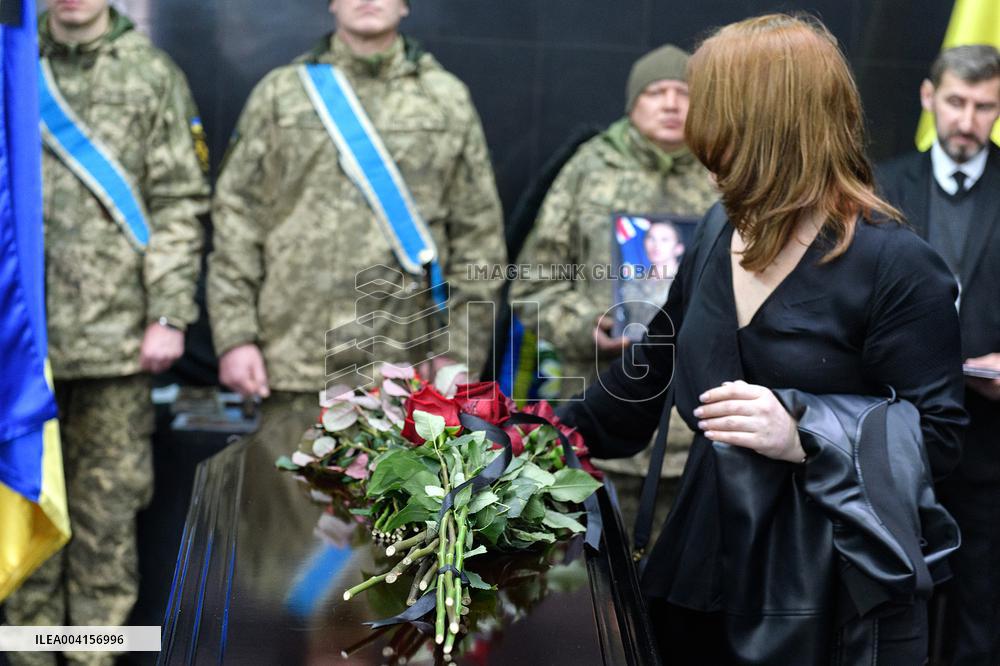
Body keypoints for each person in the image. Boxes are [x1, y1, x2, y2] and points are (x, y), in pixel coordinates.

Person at [561, 14, 967, 664]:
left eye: (711, 111)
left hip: (817, 596)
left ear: (762, 127)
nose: (695, 132)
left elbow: (940, 437)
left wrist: (805, 432)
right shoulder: (718, 231)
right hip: (696, 570)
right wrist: (524, 435)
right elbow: (648, 373)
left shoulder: (895, 265)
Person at [4, 1, 209, 664]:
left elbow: (179, 202)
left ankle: (92, 659)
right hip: (18, 347)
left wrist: (168, 314)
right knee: (24, 517)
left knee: (105, 527)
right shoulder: (11, 65)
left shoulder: (150, 74)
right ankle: (29, 659)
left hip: (118, 346)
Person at [208, 0, 506, 438]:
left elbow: (478, 234)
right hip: (291, 359)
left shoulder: (445, 98)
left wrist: (458, 353)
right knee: (288, 482)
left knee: (401, 485)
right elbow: (238, 217)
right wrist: (235, 337)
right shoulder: (281, 94)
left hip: (406, 365)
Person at [511, 44, 717, 538]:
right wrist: (587, 328)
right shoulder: (589, 170)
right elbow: (531, 284)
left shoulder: (725, 172)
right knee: (594, 576)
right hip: (599, 418)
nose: (671, 104)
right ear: (632, 103)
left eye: (683, 92)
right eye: (656, 92)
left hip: (699, 433)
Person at [877, 44, 1000, 666]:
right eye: (956, 102)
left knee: (984, 605)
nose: (967, 120)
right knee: (896, 599)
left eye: (984, 107)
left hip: (991, 440)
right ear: (928, 97)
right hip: (900, 431)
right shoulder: (883, 186)